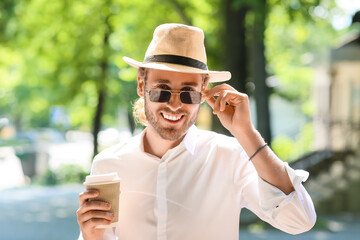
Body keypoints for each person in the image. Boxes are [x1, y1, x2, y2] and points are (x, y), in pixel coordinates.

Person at [76, 23, 316, 240]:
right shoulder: (109, 165)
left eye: (188, 93)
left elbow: (299, 220)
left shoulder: (230, 156)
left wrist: (246, 133)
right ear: (141, 84)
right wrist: (90, 236)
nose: (174, 105)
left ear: (204, 92)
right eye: (162, 90)